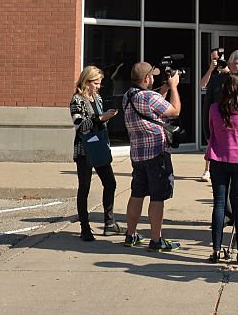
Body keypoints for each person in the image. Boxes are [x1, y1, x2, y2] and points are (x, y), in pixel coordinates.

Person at [121, 61, 182, 252]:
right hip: (157, 153)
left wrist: (162, 88)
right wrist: (173, 87)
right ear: (146, 79)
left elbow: (152, 107)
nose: (154, 78)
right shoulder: (149, 97)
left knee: (137, 193)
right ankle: (156, 240)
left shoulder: (128, 96)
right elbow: (174, 110)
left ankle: (130, 234)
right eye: (152, 76)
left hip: (138, 154)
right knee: (157, 197)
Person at [206, 72, 238, 265]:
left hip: (218, 159)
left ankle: (216, 250)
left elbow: (211, 131)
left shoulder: (213, 109)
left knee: (219, 204)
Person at [70, 65, 122, 240]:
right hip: (84, 149)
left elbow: (100, 124)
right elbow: (80, 126)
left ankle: (109, 222)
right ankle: (85, 227)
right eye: (96, 83)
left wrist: (106, 118)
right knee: (84, 187)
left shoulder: (98, 98)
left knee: (110, 182)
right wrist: (100, 118)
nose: (98, 86)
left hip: (99, 146)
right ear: (87, 81)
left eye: (100, 83)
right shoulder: (77, 100)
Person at [199, 47, 229, 182]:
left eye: (217, 58)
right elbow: (202, 85)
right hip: (214, 109)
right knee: (212, 140)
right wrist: (211, 69)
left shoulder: (229, 72)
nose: (215, 61)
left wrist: (226, 69)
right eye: (213, 59)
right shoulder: (213, 73)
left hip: (227, 109)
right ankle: (207, 169)